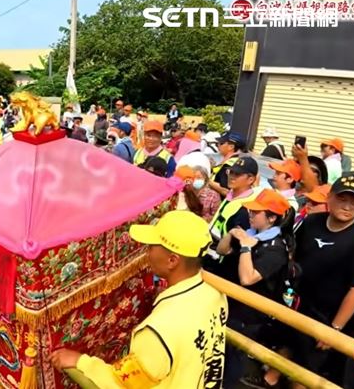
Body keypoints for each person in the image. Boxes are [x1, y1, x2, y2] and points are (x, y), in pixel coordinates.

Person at [49, 210, 227, 388]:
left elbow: (123, 384)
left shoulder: (158, 331)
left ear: (172, 260)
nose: (147, 251)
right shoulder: (216, 293)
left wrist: (80, 361)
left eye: (152, 246)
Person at [291, 175, 354, 384]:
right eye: (342, 199)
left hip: (326, 319)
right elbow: (295, 256)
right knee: (284, 356)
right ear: (330, 198)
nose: (348, 206)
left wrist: (334, 330)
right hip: (298, 305)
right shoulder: (312, 222)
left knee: (304, 374)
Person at [215, 189, 292, 387]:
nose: (250, 215)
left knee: (233, 360)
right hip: (229, 304)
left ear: (272, 218)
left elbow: (247, 278)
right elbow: (221, 250)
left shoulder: (276, 248)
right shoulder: (250, 233)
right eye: (250, 211)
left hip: (249, 316)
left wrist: (247, 247)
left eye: (255, 213)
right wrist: (231, 234)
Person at [208, 157, 261, 281]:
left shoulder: (246, 208)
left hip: (222, 268)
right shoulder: (231, 196)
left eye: (238, 174)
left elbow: (237, 249)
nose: (232, 176)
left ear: (251, 179)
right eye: (231, 172)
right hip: (209, 259)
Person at [209, 132, 247, 197]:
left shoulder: (231, 165)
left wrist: (206, 180)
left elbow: (226, 190)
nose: (218, 145)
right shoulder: (230, 162)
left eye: (221, 143)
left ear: (231, 147)